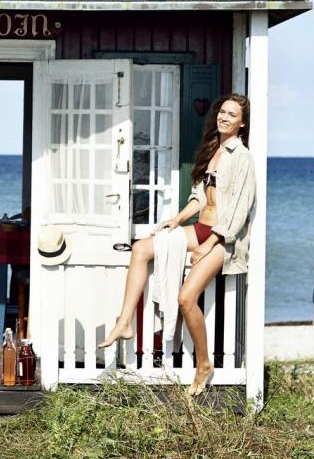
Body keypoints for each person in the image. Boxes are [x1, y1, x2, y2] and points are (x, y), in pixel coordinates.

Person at [96, 93, 257, 396]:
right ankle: (125, 322)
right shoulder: (214, 149)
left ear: (242, 123)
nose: (224, 117)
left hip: (224, 238)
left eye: (232, 115)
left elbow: (237, 211)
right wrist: (176, 219)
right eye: (222, 112)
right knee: (143, 248)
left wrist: (208, 245)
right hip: (201, 228)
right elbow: (199, 197)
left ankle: (204, 363)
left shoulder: (241, 157)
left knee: (186, 298)